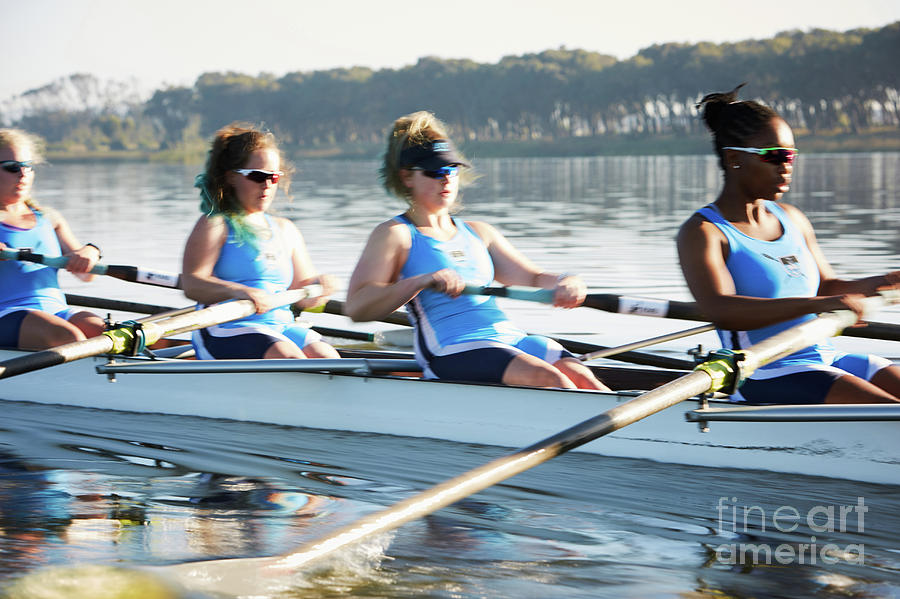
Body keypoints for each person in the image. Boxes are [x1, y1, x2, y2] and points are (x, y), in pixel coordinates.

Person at [345, 111, 608, 390]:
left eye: (451, 170)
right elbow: (357, 307)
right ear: (407, 177)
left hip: (509, 338)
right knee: (550, 379)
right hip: (452, 348)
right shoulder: (395, 235)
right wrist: (420, 281)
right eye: (434, 172)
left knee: (582, 377)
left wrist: (567, 281)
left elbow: (533, 278)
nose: (446, 180)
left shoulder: (479, 233)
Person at [677, 85, 900, 404]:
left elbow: (827, 287)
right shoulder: (704, 232)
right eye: (776, 155)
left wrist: (888, 282)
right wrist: (817, 305)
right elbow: (722, 311)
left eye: (792, 154)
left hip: (826, 359)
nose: (787, 165)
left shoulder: (793, 218)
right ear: (735, 159)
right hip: (762, 373)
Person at [182, 123, 339, 360]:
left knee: (327, 356)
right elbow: (192, 284)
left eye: (274, 177)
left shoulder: (286, 229)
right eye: (257, 176)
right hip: (226, 326)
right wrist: (240, 291)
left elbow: (304, 295)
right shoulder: (215, 224)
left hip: (280, 325)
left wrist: (320, 286)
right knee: (288, 357)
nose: (267, 185)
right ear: (231, 177)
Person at [0, 128, 105, 350]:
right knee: (68, 337)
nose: (23, 174)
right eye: (12, 168)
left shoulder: (49, 218)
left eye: (28, 167)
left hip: (58, 310)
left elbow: (86, 277)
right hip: (6, 313)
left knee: (108, 335)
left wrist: (90, 252)